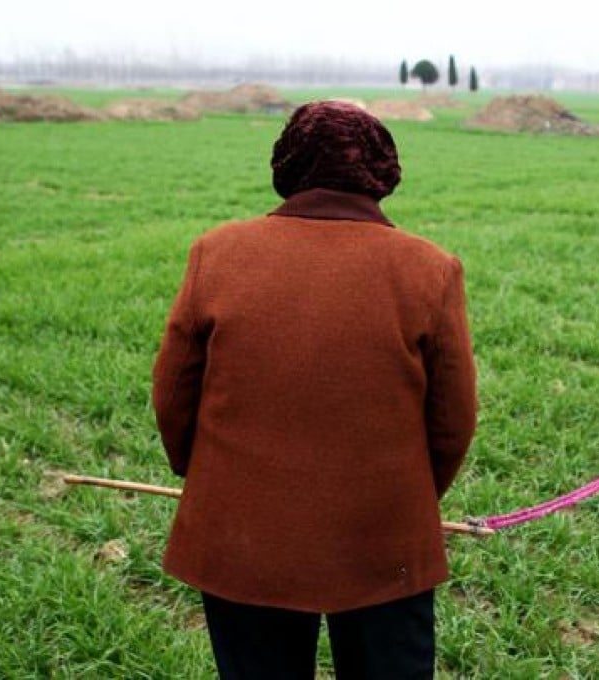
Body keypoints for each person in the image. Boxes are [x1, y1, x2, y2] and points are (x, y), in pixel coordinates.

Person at [151, 100, 478, 679]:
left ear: (288, 165)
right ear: (381, 173)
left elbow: (174, 396)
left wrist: (207, 482)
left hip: (240, 535)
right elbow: (452, 422)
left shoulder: (217, 254)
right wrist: (411, 502)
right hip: (385, 542)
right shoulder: (429, 269)